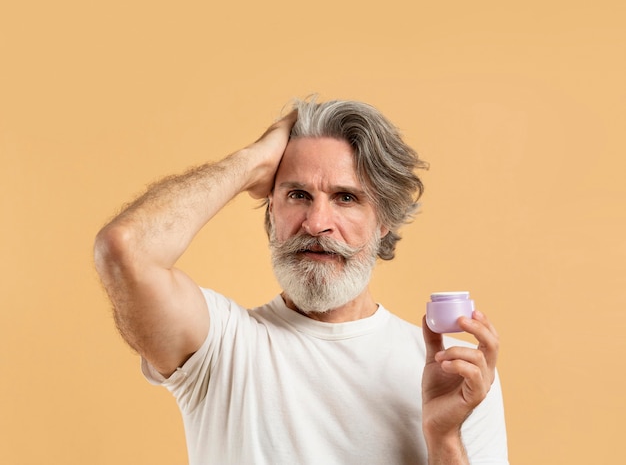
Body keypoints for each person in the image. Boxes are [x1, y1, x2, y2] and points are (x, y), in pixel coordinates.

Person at [94, 97, 508, 465]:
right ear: (271, 211)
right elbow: (126, 249)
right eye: (297, 195)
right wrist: (253, 160)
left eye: (346, 197)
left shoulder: (454, 369)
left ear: (383, 221)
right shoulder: (220, 346)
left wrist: (445, 438)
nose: (316, 223)